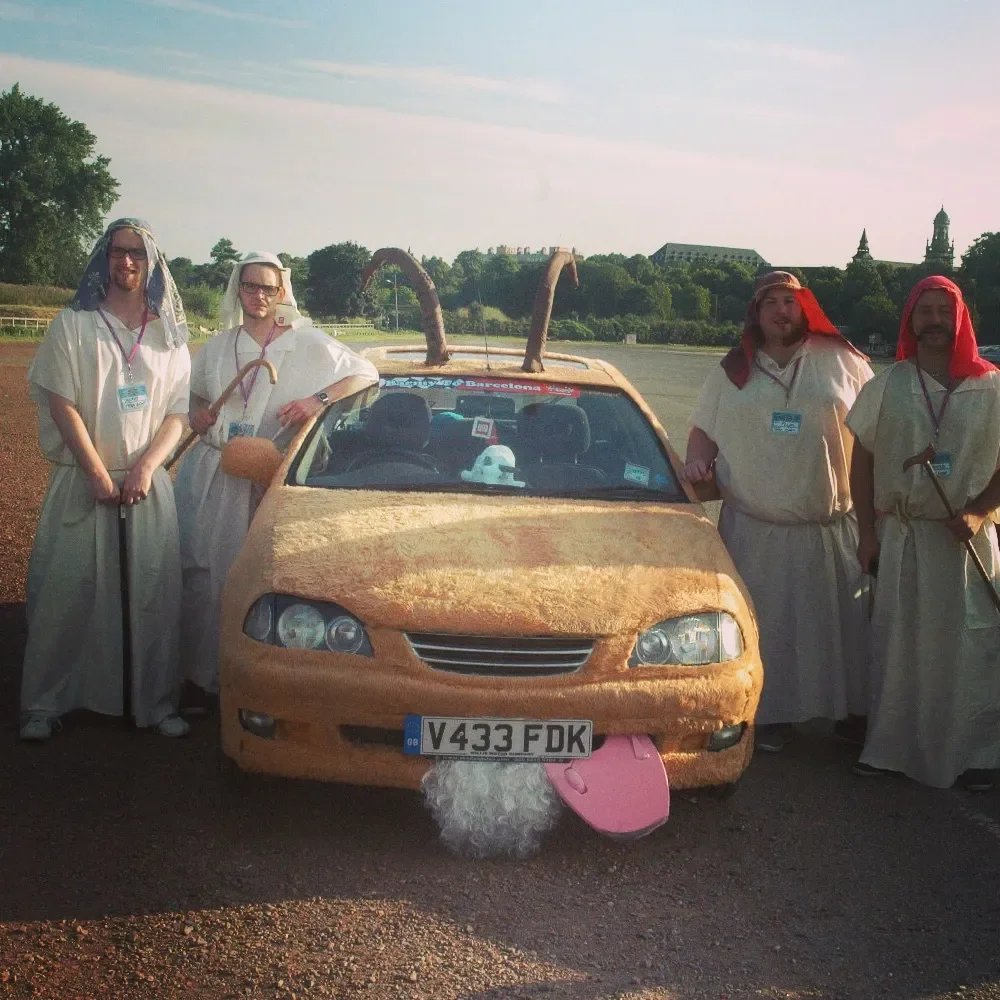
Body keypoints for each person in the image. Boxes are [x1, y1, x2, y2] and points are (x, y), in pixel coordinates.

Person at [174, 251, 378, 700]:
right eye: (250, 286)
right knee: (204, 573)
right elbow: (192, 399)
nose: (259, 295)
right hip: (215, 473)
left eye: (268, 287)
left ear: (282, 291)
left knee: (265, 580)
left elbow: (364, 373)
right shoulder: (218, 346)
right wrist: (198, 415)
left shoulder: (306, 343)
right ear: (238, 289)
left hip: (271, 477)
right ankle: (203, 676)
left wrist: (317, 400)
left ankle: (262, 680)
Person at [683, 271, 874, 752]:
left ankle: (853, 713)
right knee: (765, 627)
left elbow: (876, 433)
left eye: (790, 301)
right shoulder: (733, 369)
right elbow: (704, 428)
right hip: (754, 527)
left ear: (804, 306)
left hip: (828, 525)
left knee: (842, 627)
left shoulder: (843, 360)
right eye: (770, 302)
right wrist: (696, 459)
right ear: (756, 312)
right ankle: (768, 715)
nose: (781, 310)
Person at [20, 218, 192, 740]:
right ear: (104, 257)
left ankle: (154, 702)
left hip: (146, 486)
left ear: (152, 262)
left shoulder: (168, 334)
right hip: (83, 480)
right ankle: (46, 704)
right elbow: (61, 401)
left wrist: (146, 467)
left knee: (151, 595)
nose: (127, 262)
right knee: (66, 592)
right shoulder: (72, 325)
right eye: (118, 252)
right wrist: (97, 471)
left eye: (137, 253)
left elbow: (177, 414)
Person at [847, 275, 1000, 791]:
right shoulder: (888, 385)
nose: (934, 320)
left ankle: (974, 754)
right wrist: (867, 532)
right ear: (911, 321)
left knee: (968, 649)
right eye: (925, 311)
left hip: (964, 541)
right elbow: (862, 458)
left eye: (943, 311)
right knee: (900, 645)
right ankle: (889, 749)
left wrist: (980, 511)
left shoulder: (992, 385)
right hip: (906, 536)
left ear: (960, 320)